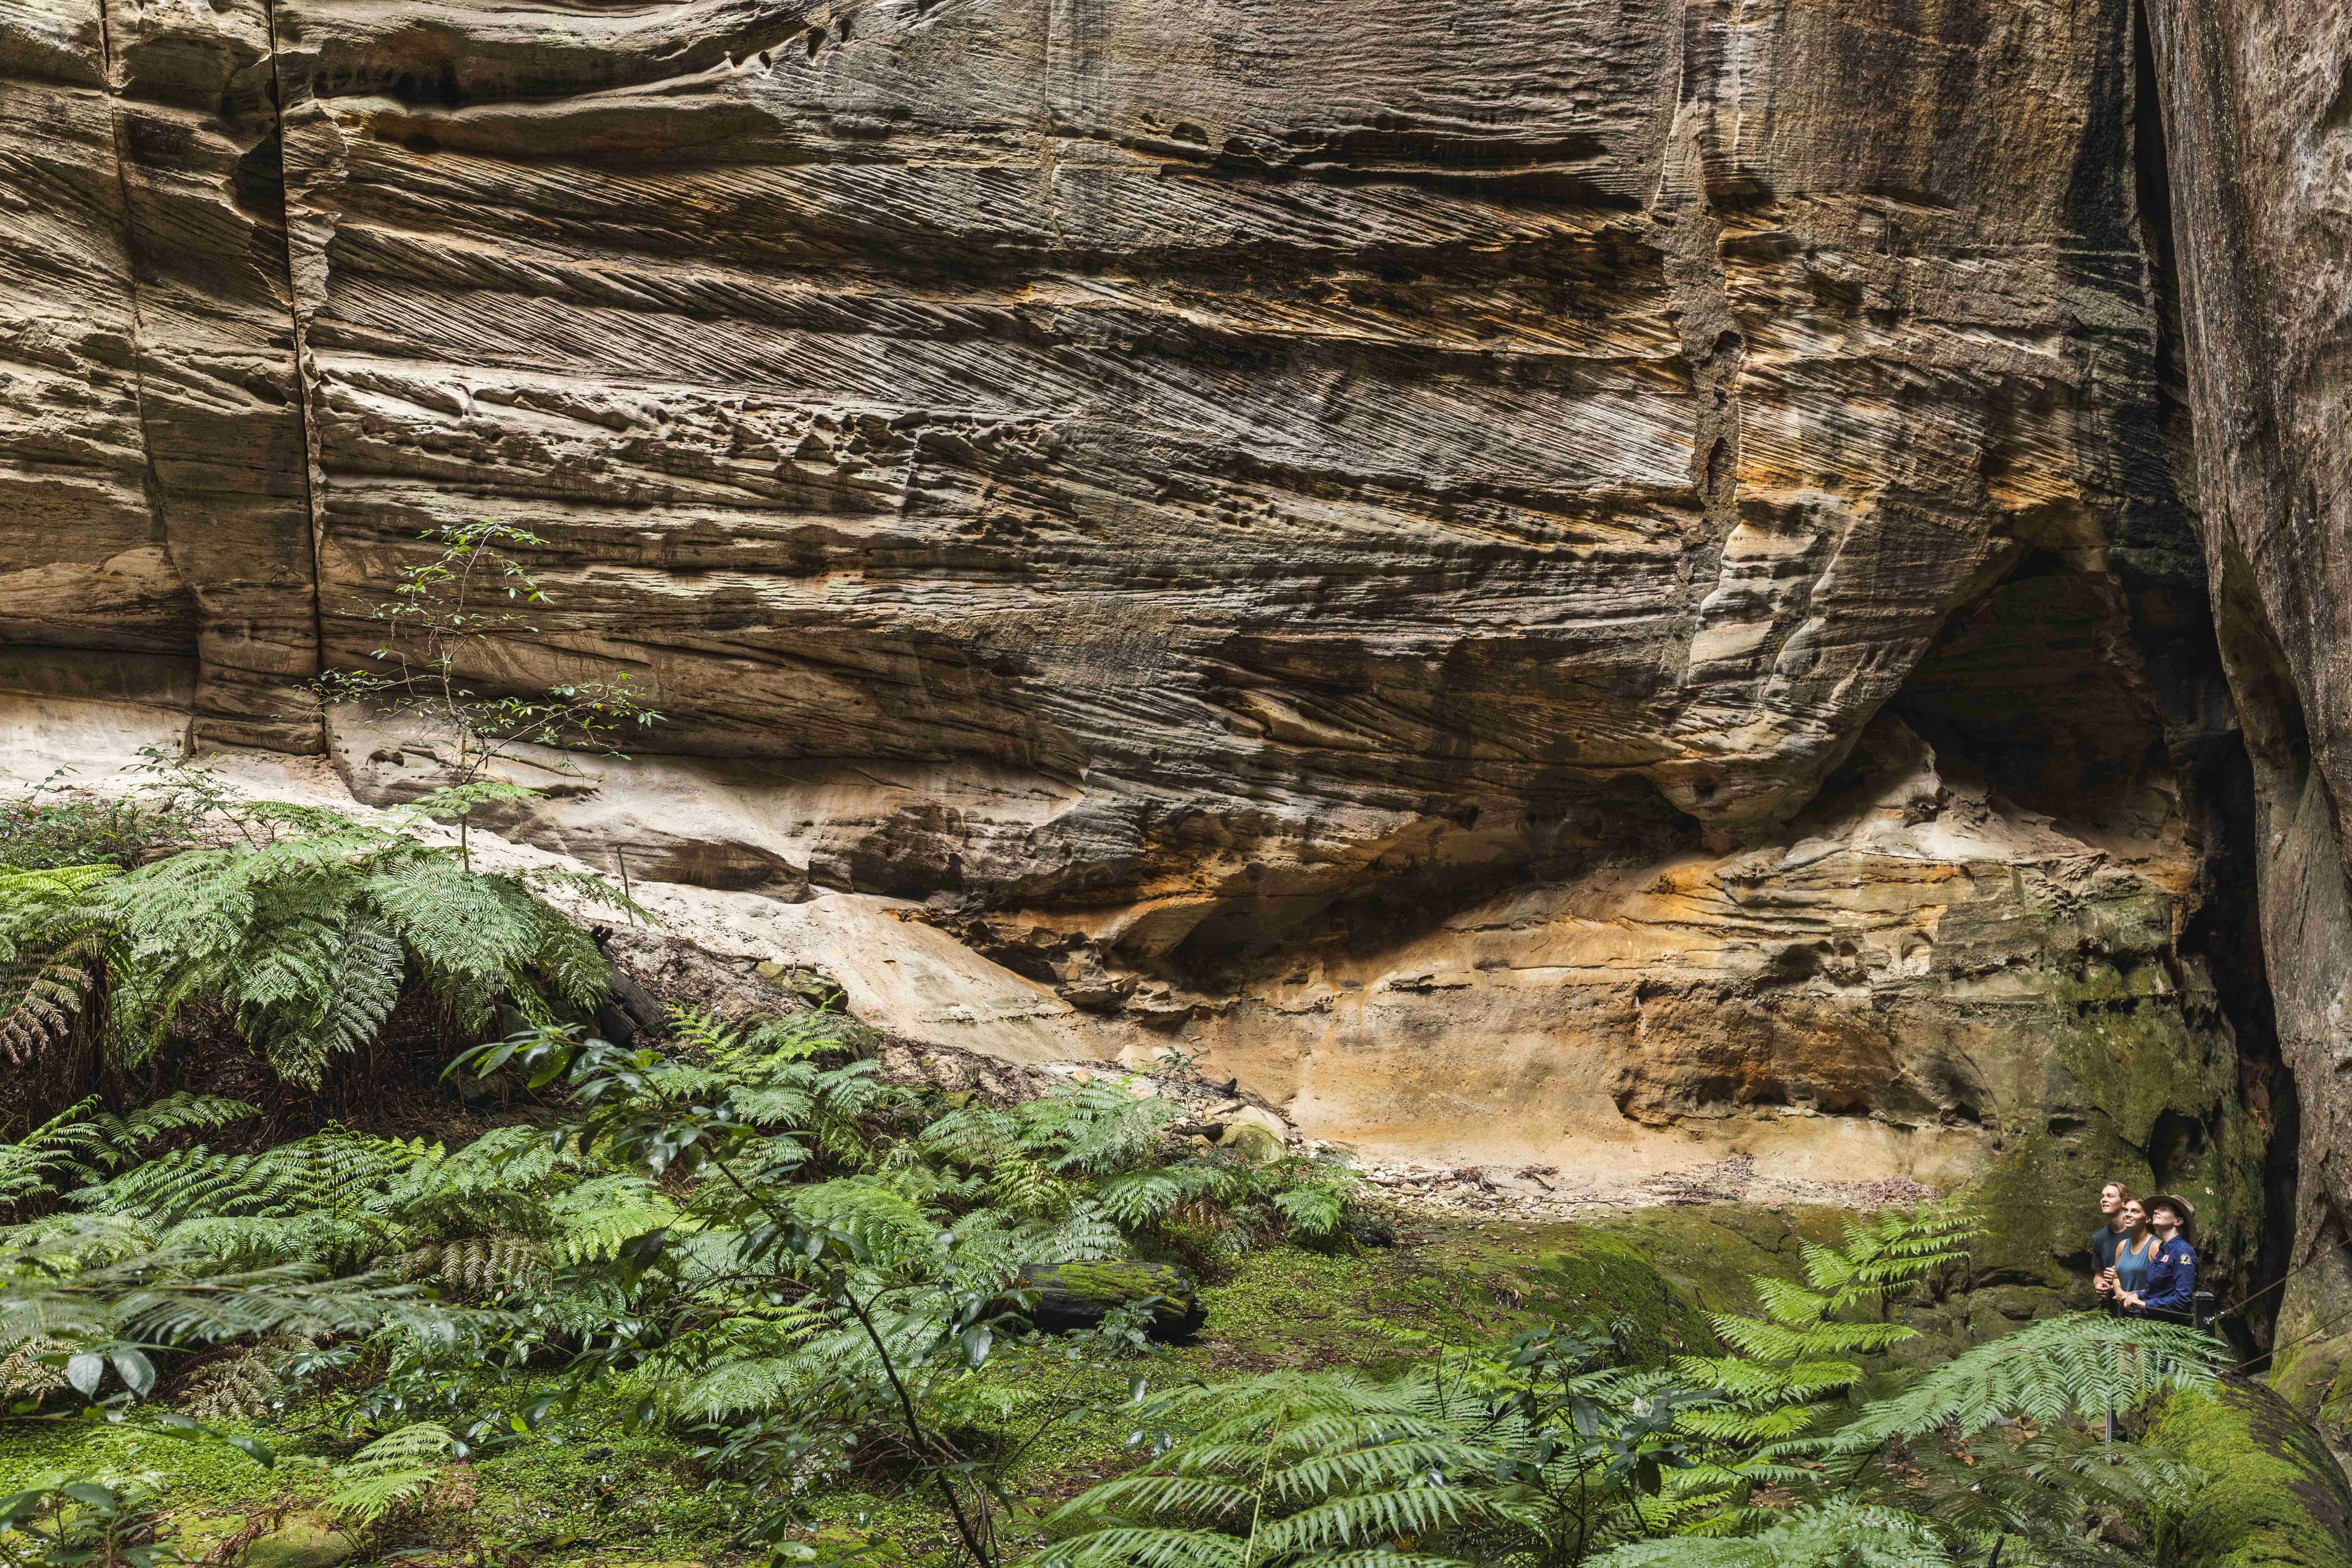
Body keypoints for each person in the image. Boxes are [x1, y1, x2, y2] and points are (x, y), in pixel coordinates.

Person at [2119, 1195, 2198, 1319]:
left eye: (2164, 1210)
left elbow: (2183, 1300)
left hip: (2169, 1330)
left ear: (2178, 1221)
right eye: (2157, 1209)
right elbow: (2159, 1292)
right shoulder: (2163, 1250)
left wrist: (2145, 1304)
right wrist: (2137, 1295)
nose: (2156, 1211)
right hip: (2153, 1325)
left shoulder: (2183, 1252)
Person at [2107, 1198, 2155, 1309]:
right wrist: (2120, 1292)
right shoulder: (2122, 1246)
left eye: (2135, 1211)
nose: (2127, 1215)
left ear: (2148, 1219)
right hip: (2123, 1311)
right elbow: (2116, 1277)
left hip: (2146, 1312)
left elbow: (2162, 1287)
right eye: (2126, 1211)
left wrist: (2131, 1295)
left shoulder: (2155, 1246)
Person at [2089, 1181, 2133, 1302]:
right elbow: (2098, 1275)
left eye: (2110, 1196)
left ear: (2124, 1202)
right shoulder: (2099, 1238)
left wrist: (2122, 1273)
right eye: (2103, 1196)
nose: (2104, 1200)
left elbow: (2155, 1272)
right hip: (2111, 1307)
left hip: (2136, 1305)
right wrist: (2098, 1284)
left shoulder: (2139, 1232)